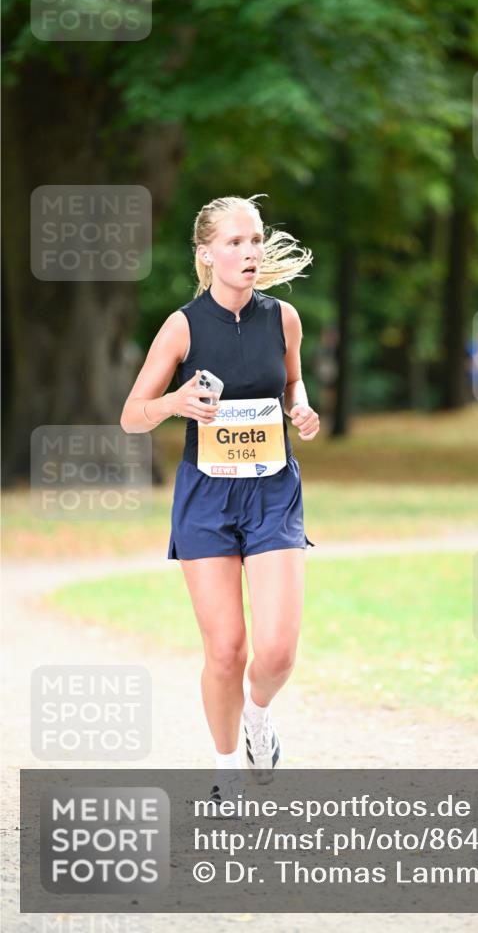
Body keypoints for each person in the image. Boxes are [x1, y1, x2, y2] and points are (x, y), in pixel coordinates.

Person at [120, 194, 319, 800]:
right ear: (207, 255)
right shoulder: (182, 326)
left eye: (255, 239)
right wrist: (174, 403)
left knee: (278, 651)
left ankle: (258, 715)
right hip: (206, 497)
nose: (250, 251)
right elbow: (132, 416)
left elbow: (291, 380)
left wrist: (300, 407)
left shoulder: (283, 318)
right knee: (226, 649)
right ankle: (226, 769)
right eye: (235, 242)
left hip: (272, 493)